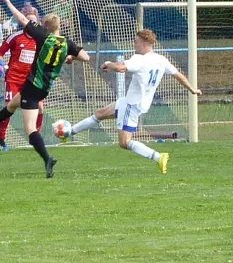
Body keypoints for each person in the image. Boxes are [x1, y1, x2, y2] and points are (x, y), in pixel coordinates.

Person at [0, 0, 90, 178]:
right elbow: (86, 57)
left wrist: (7, 0)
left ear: (45, 26)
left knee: (29, 129)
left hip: (34, 86)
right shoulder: (66, 43)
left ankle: (47, 159)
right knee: (13, 104)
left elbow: (21, 18)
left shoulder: (43, 36)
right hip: (43, 87)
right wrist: (70, 57)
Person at [71, 29, 202, 175]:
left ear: (144, 43)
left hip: (131, 105)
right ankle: (69, 132)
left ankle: (158, 157)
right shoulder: (161, 59)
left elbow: (120, 68)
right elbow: (179, 76)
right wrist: (192, 89)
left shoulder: (140, 59)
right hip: (134, 102)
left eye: (136, 41)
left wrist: (108, 63)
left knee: (125, 142)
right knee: (100, 113)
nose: (134, 43)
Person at [0, 13, 43, 152]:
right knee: (10, 109)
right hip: (14, 79)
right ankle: (1, 139)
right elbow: (0, 52)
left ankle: (35, 138)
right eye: (29, 21)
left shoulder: (40, 39)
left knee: (39, 107)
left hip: (32, 80)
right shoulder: (15, 37)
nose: (32, 24)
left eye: (34, 21)